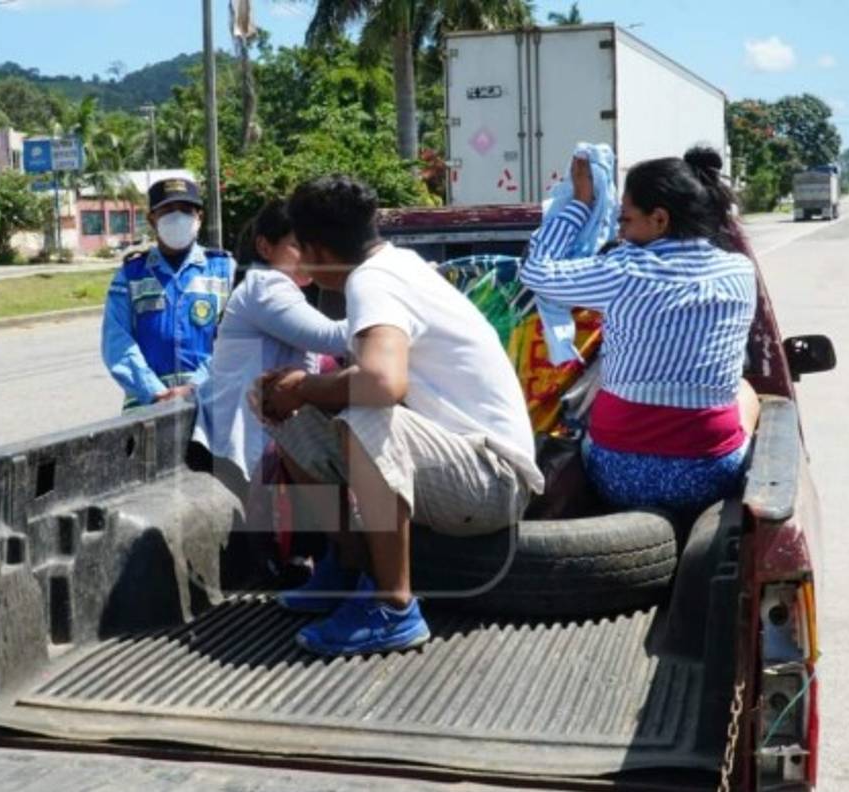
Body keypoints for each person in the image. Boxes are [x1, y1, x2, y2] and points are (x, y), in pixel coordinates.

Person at [251, 176, 544, 657]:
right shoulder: (392, 265)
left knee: (366, 415)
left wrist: (303, 385)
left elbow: (383, 384)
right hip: (457, 464)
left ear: (319, 251)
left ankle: (392, 607)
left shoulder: (374, 281)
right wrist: (294, 394)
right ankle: (350, 568)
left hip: (494, 479)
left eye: (302, 249)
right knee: (286, 410)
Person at [519, 147, 759, 515]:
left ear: (659, 219)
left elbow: (535, 272)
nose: (620, 231)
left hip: (617, 476)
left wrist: (580, 204)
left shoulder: (624, 269)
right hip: (711, 477)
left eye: (626, 220)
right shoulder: (740, 271)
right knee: (744, 390)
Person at [194, 199, 348, 487]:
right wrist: (393, 313)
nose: (310, 255)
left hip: (269, 439)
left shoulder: (280, 289)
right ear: (265, 247)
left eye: (314, 245)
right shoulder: (266, 287)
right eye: (298, 245)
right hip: (254, 445)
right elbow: (333, 338)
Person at [101, 177, 234, 411]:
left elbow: (234, 340)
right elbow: (117, 341)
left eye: (186, 210)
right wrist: (155, 393)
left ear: (199, 218)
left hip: (209, 404)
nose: (178, 217)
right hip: (147, 407)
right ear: (152, 219)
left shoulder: (225, 270)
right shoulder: (130, 275)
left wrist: (194, 388)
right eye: (168, 210)